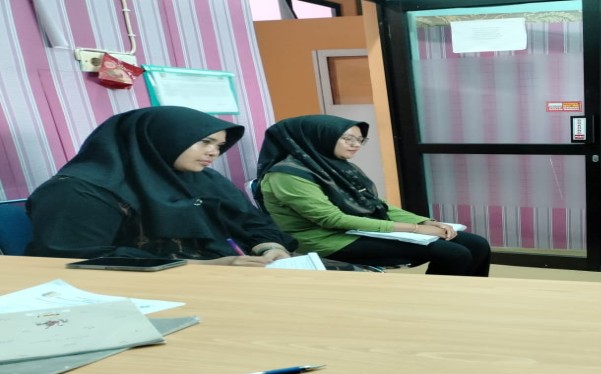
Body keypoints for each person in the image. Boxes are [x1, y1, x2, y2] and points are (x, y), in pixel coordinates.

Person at [25, 106, 296, 266]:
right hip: (141, 294)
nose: (214, 152)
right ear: (159, 138)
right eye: (205, 142)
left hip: (230, 277)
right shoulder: (80, 190)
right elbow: (75, 258)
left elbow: (251, 222)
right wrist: (204, 267)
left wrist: (269, 247)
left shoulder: (204, 179)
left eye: (219, 145)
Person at [255, 115, 490, 277]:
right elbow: (331, 219)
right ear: (319, 137)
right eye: (347, 139)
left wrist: (425, 221)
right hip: (326, 239)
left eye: (360, 140)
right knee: (453, 253)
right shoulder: (287, 175)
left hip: (355, 229)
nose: (355, 145)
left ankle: (471, 298)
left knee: (477, 244)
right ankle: (437, 306)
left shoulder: (335, 166)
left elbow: (376, 205)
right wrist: (416, 230)